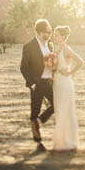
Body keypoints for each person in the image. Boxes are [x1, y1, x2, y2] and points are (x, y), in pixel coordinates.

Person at [20, 19, 55, 149]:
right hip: (37, 84)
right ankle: (38, 141)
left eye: (50, 31)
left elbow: (49, 62)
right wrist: (31, 84)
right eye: (47, 31)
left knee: (57, 103)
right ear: (40, 32)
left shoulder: (49, 45)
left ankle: (39, 121)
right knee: (35, 111)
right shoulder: (29, 46)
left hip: (48, 82)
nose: (50, 34)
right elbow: (23, 67)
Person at [52, 25, 84, 151]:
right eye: (54, 35)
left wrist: (70, 73)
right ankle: (60, 140)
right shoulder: (56, 49)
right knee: (59, 110)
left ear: (63, 37)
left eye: (57, 35)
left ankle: (68, 141)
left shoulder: (66, 49)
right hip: (57, 82)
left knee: (66, 110)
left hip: (65, 83)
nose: (54, 37)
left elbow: (80, 61)